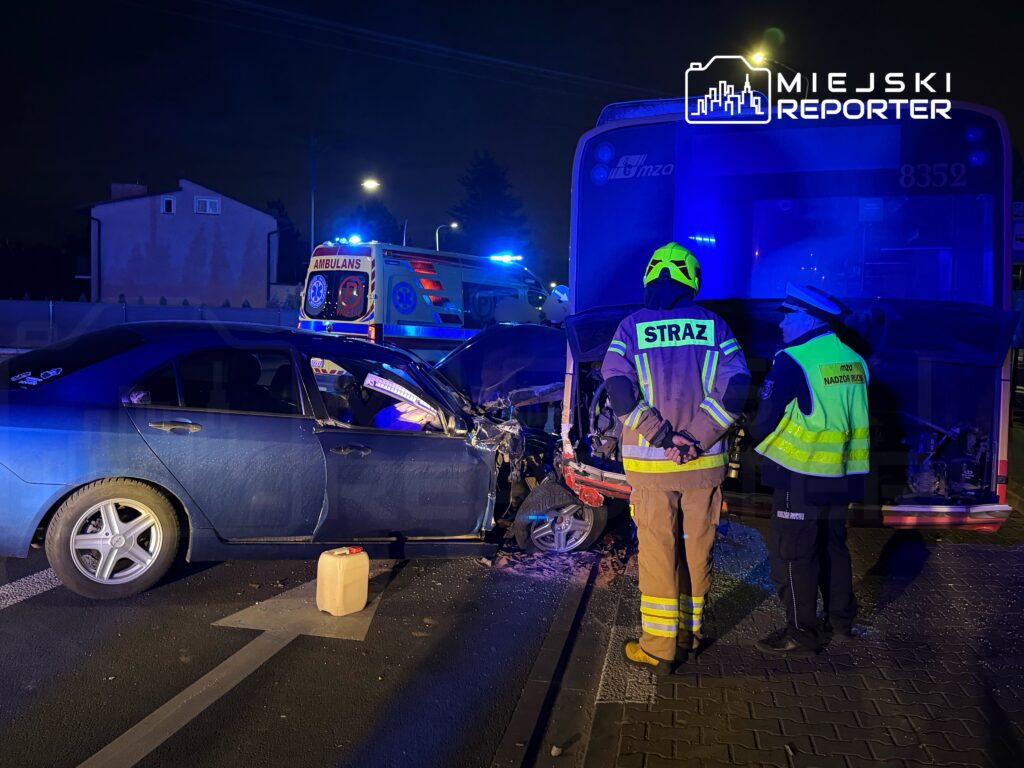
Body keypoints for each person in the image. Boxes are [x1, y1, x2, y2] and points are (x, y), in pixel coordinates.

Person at [601, 242, 749, 675]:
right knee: (697, 551)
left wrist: (662, 435)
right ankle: (691, 634)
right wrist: (694, 438)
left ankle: (659, 647)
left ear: (651, 278)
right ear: (692, 280)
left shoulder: (631, 327)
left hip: (650, 467)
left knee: (658, 552)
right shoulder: (715, 326)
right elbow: (736, 387)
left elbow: (619, 389)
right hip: (702, 466)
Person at [748, 282, 870, 656]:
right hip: (843, 474)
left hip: (800, 474)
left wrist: (753, 439)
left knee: (793, 554)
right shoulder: (854, 359)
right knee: (833, 547)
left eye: (787, 316)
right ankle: (842, 621)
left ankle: (801, 632)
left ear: (806, 318)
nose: (781, 324)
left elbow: (764, 421)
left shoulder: (794, 359)